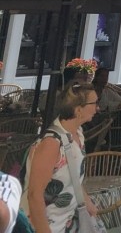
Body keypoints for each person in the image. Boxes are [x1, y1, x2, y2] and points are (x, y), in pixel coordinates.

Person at [24, 83, 101, 233]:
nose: (98, 108)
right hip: (46, 226)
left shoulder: (77, 133)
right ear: (78, 109)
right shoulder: (52, 143)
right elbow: (34, 195)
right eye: (94, 103)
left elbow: (73, 175)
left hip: (67, 222)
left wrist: (86, 200)